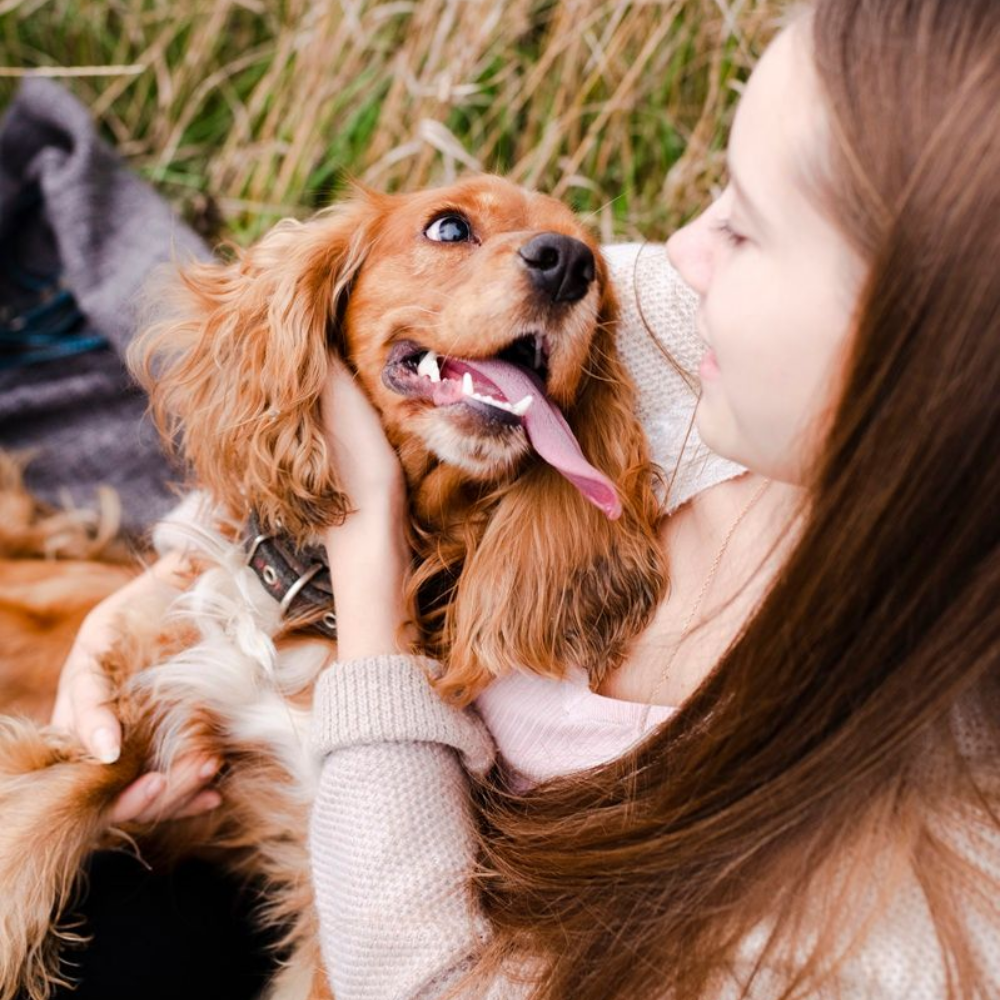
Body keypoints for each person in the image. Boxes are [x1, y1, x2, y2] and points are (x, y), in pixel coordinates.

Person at [56, 0, 1000, 996]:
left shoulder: (933, 905)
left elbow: (430, 982)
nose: (673, 252)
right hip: (262, 830)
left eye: (746, 225)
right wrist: (167, 588)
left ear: (923, 327)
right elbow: (331, 377)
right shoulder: (678, 332)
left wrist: (367, 564)